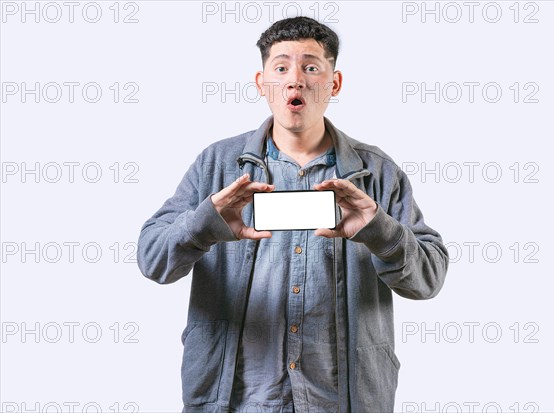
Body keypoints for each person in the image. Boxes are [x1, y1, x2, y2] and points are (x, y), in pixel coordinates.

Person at [137, 16, 449, 413]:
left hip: (342, 401)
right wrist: (205, 224)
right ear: (261, 82)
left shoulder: (379, 173)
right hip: (236, 401)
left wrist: (380, 231)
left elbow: (430, 279)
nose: (295, 80)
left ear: (334, 83)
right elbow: (152, 260)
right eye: (281, 67)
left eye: (311, 67)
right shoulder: (216, 165)